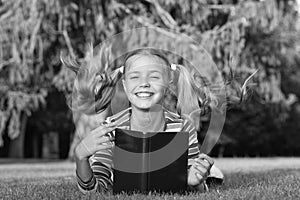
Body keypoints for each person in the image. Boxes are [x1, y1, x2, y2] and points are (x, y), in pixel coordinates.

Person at [63, 47, 223, 194]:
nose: (144, 84)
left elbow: (193, 185)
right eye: (135, 77)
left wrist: (196, 182)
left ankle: (214, 174)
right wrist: (81, 158)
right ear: (125, 86)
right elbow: (96, 191)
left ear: (168, 84)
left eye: (154, 77)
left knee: (213, 175)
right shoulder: (110, 129)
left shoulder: (183, 128)